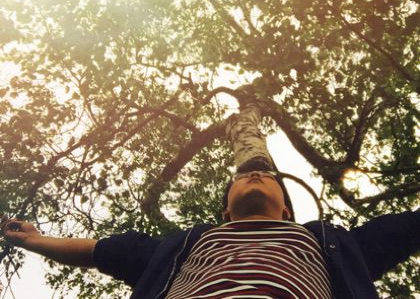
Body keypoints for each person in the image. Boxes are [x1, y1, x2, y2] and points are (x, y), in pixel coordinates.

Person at [1, 106, 419, 298]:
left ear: (287, 212)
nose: (255, 174)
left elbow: (410, 228)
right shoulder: (185, 247)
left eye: (268, 176)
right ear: (225, 213)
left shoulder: (330, 244)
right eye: (244, 176)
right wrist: (33, 240)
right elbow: (102, 252)